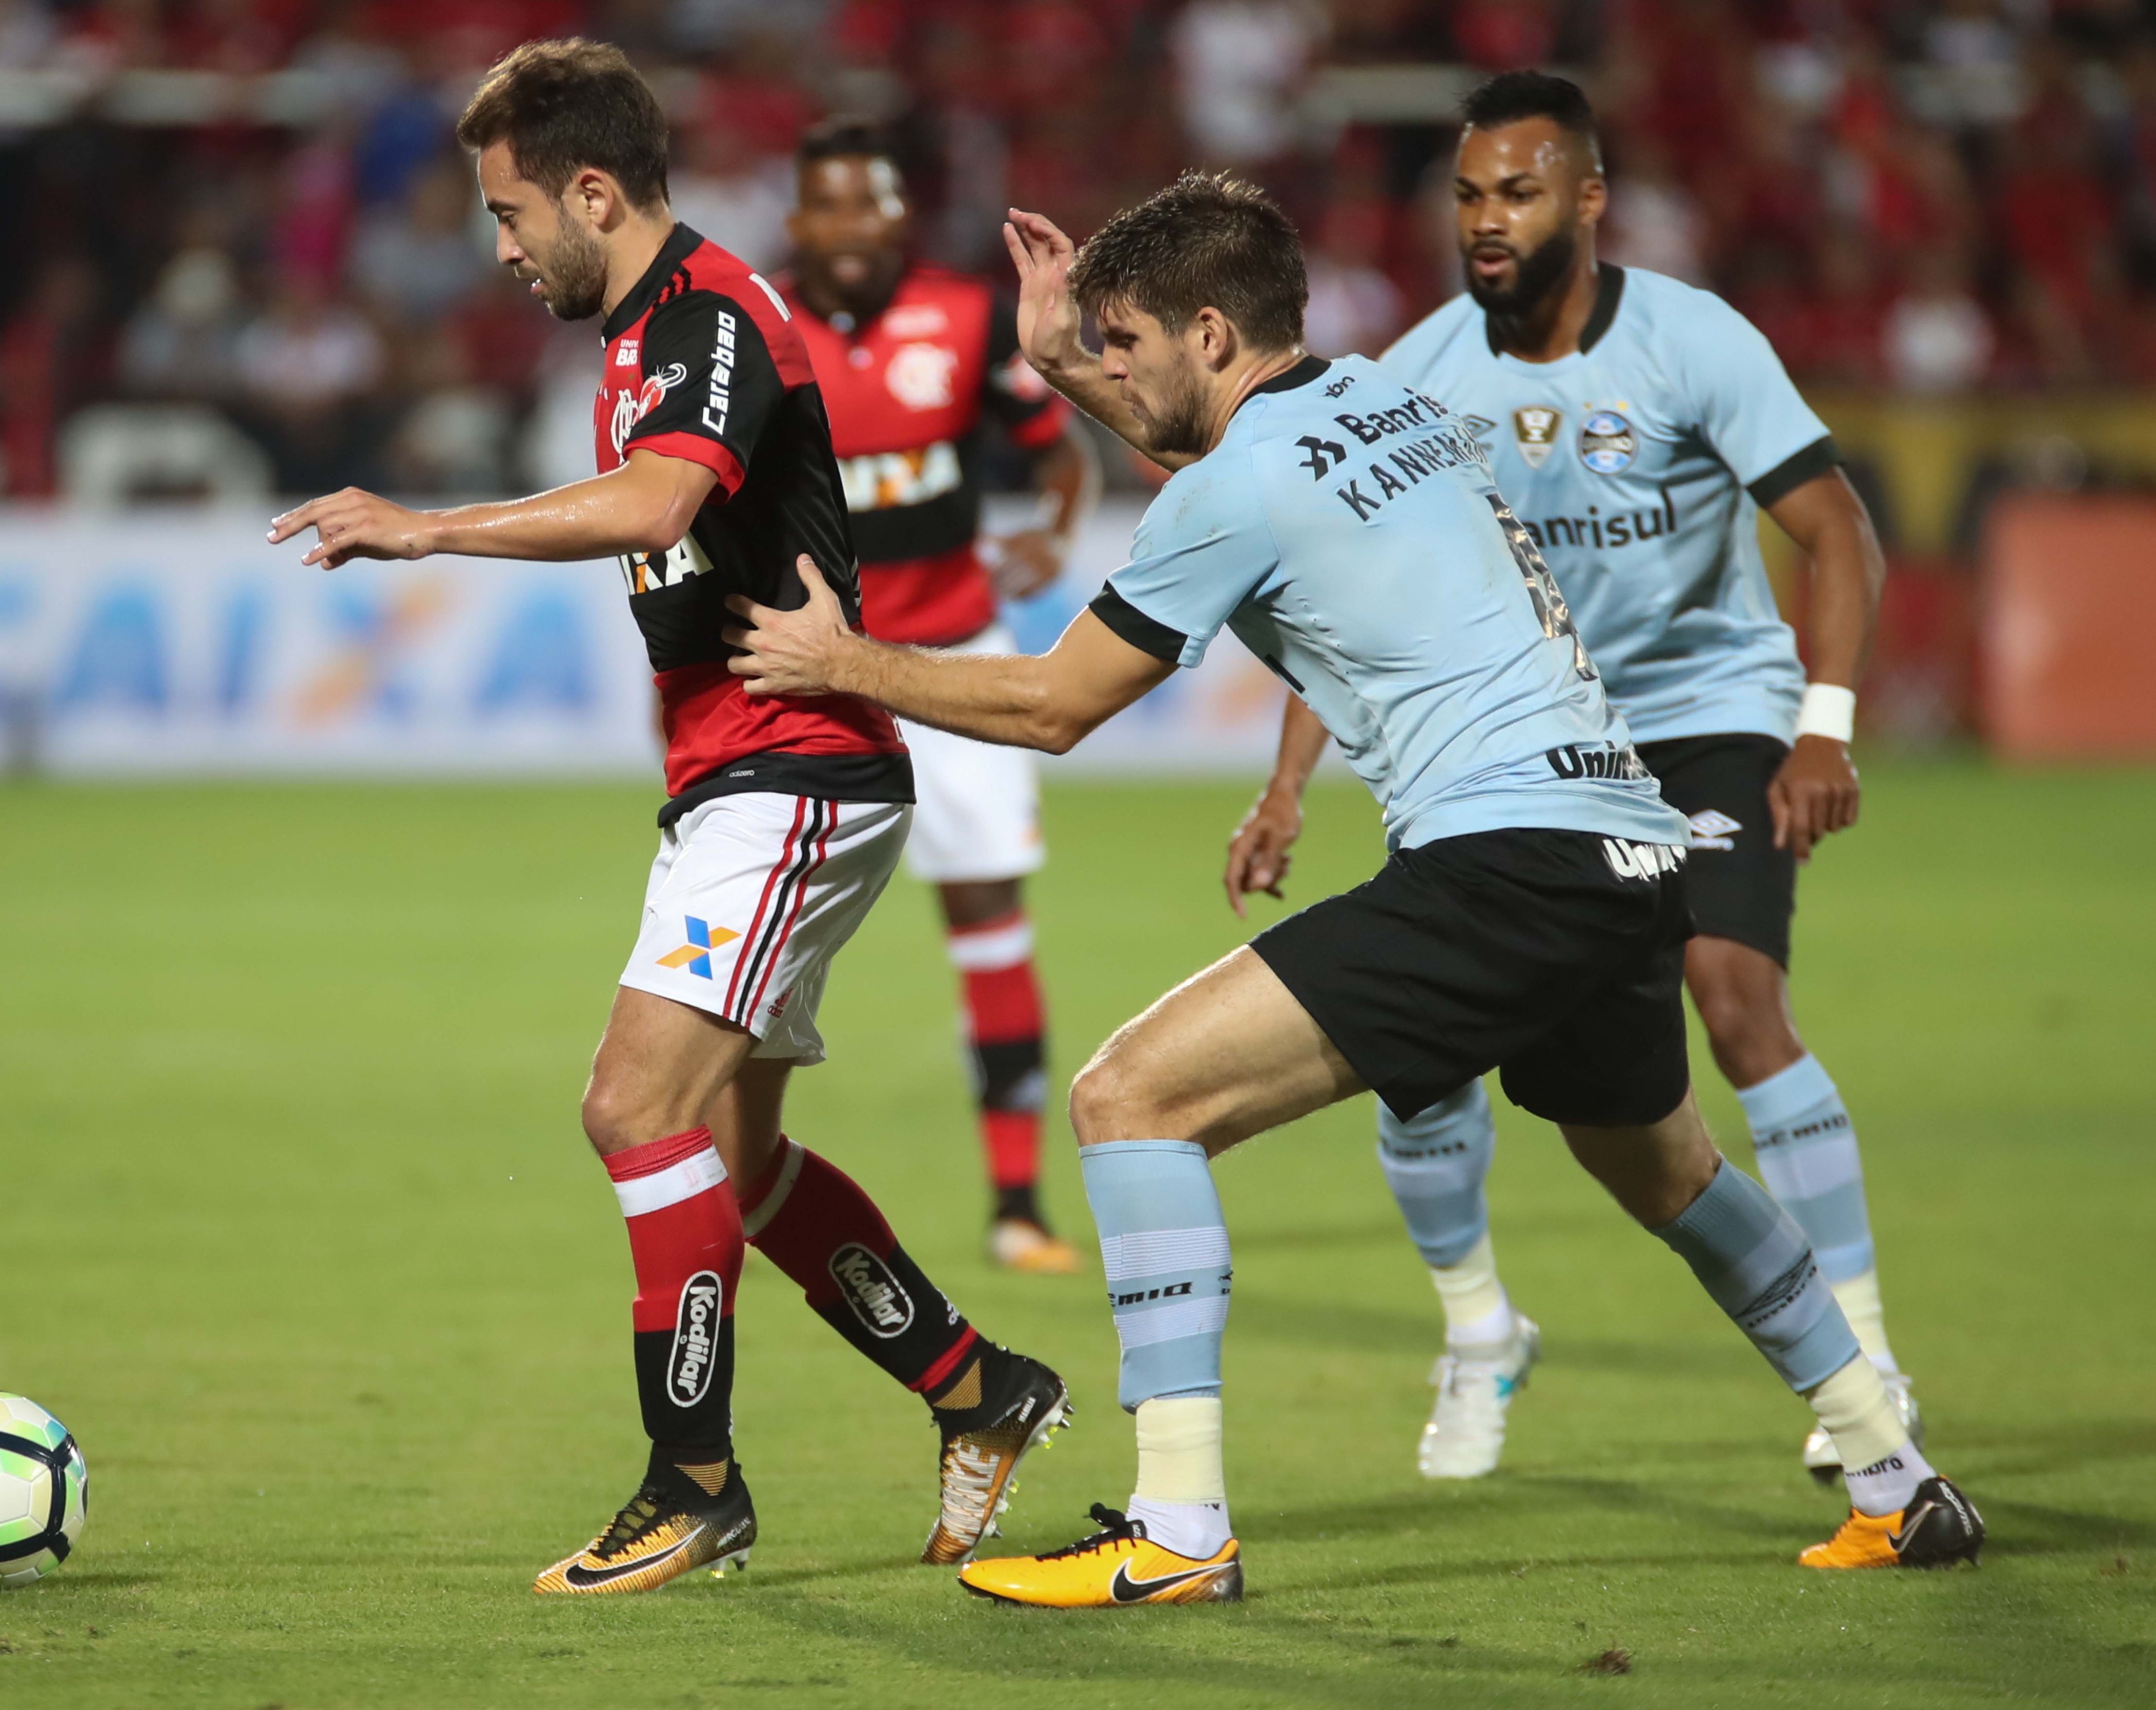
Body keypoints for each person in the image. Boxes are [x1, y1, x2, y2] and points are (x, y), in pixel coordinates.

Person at [727, 171, 1983, 1606]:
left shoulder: (1237, 484)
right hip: (1624, 843)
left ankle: (1179, 1532)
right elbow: (1229, 484)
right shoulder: (1382, 396)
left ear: (1210, 333)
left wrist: (843, 664)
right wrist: (1069, 364)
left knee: (1129, 1098)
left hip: (1500, 863)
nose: (1117, 370)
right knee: (1667, 1170)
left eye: (1128, 341)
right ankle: (1894, 1473)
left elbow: (1054, 704)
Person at [268, 39, 1070, 1597]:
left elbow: (653, 507)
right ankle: (980, 1388)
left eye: (509, 214)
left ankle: (690, 1482)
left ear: (590, 190)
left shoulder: (711, 316)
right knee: (737, 1158)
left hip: (792, 769)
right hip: (738, 771)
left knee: (633, 1109)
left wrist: (423, 526)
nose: (498, 249)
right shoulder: (645, 333)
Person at [1224, 72, 1917, 1488]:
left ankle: (1861, 1339)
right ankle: (1478, 1330)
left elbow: (1832, 529)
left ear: (1587, 200)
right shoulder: (1416, 379)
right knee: (1422, 1066)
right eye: (1468, 193)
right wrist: (1287, 785)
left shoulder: (1690, 340)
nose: (1485, 219)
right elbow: (1338, 599)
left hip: (1705, 716)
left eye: (1517, 192)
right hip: (1525, 749)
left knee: (1732, 996)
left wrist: (1822, 725)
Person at [782, 117, 1103, 1273]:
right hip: (817, 678)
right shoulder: (758, 332)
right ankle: (718, 1175)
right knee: (764, 945)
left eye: (875, 203)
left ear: (898, 217)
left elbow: (1060, 449)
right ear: (799, 219)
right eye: (833, 204)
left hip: (960, 671)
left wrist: (1056, 531)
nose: (855, 226)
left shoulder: (966, 319)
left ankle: (1018, 1208)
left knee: (989, 927)